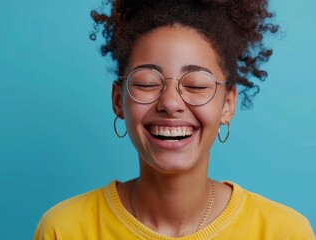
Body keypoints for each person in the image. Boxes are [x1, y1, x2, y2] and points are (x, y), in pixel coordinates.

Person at [34, 0, 315, 239]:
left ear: (228, 104)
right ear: (118, 101)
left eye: (195, 84)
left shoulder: (284, 232)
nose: (170, 103)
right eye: (146, 83)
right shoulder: (65, 228)